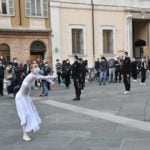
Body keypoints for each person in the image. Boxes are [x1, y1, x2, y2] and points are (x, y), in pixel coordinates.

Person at [15, 63, 55, 141]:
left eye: (37, 66)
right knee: (25, 114)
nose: (37, 68)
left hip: (26, 97)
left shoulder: (35, 74)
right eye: (35, 67)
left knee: (31, 112)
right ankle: (24, 134)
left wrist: (52, 82)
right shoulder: (31, 76)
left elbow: (44, 78)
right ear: (31, 69)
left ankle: (30, 127)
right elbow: (44, 77)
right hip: (20, 98)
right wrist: (54, 77)